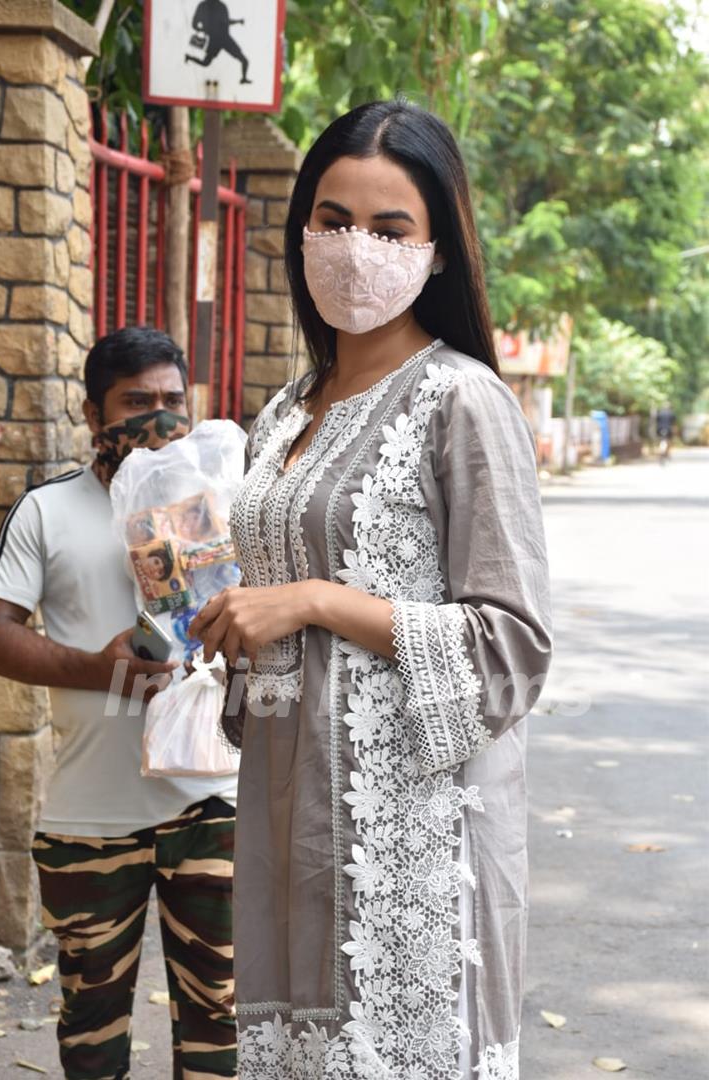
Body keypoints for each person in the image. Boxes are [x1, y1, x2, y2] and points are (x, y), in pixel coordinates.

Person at [190, 101, 553, 1079]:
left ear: (437, 251)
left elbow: (513, 646)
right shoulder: (284, 412)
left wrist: (311, 601)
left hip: (413, 846)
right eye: (334, 219)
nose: (356, 249)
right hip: (288, 822)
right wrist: (241, 622)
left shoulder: (463, 401)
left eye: (390, 228)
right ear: (302, 230)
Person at [0, 327, 238, 1080]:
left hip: (210, 802)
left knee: (220, 1014)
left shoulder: (219, 506)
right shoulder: (48, 510)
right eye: (136, 404)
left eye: (171, 402)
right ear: (94, 413)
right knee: (92, 1025)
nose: (157, 420)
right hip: (87, 823)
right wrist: (98, 670)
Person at [186, 0, 252, 84]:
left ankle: (244, 79)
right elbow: (195, 24)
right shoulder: (208, 6)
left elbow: (195, 24)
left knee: (244, 60)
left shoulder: (214, 5)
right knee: (206, 63)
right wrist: (203, 29)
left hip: (223, 38)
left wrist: (203, 29)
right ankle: (189, 57)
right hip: (218, 39)